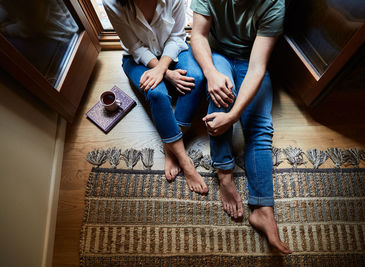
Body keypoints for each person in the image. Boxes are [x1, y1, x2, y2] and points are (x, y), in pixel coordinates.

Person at [190, 0, 292, 253]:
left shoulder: (274, 5)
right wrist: (211, 72)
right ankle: (224, 176)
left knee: (259, 128)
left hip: (249, 59)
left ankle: (263, 209)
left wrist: (235, 116)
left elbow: (258, 67)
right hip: (217, 55)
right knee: (219, 98)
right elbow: (198, 35)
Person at [103, 0, 208, 194]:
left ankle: (171, 145)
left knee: (197, 78)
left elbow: (177, 36)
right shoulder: (111, 3)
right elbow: (133, 46)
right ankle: (184, 159)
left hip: (173, 50)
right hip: (137, 59)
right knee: (157, 94)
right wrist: (166, 74)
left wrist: (162, 68)